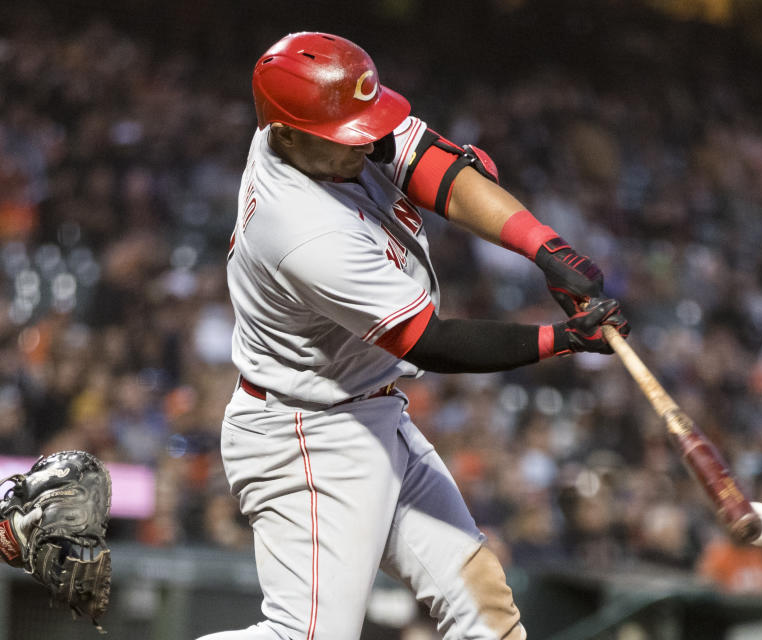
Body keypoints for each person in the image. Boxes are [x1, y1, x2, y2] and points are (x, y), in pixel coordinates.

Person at [198, 31, 629, 640]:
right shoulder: (301, 228)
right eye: (348, 135)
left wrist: (545, 247)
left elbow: (430, 162)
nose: (367, 140)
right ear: (286, 134)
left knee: (485, 610)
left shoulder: (313, 125)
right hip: (307, 436)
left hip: (369, 410)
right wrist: (560, 340)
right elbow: (429, 341)